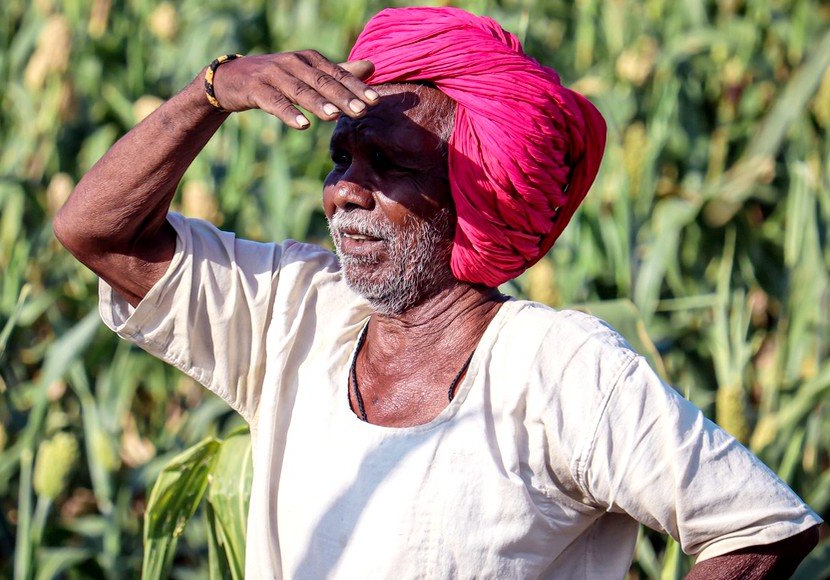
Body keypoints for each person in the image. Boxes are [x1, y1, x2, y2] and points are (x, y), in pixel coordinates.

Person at [54, 6, 821, 579]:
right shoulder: (295, 313)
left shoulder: (557, 370)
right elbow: (100, 234)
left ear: (469, 193)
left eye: (388, 163)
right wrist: (213, 90)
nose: (342, 193)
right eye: (340, 158)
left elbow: (761, 528)